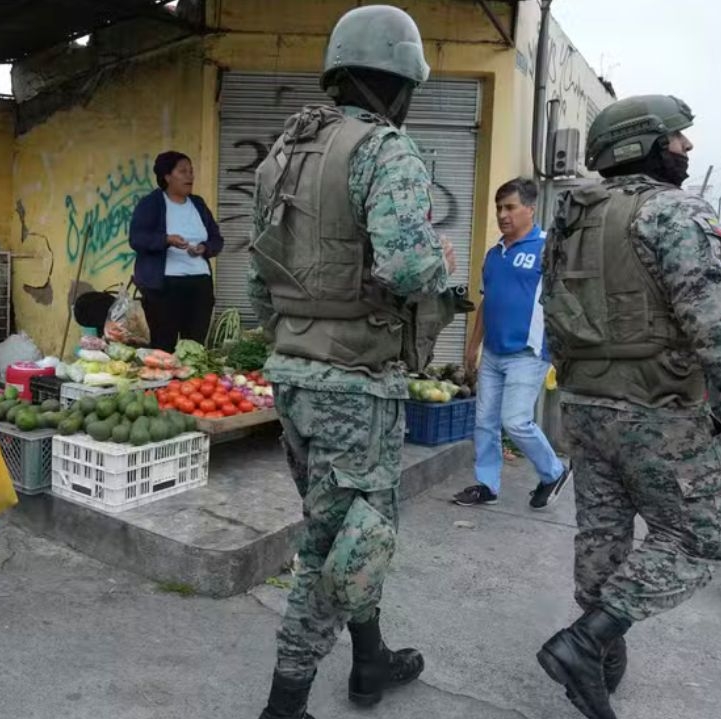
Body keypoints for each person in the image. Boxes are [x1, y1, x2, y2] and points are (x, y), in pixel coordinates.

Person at [537, 94, 721, 719]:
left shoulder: (570, 220)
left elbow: (554, 310)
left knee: (603, 533)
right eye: (677, 139)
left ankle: (599, 661)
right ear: (642, 145)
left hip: (586, 404)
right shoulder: (673, 213)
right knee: (702, 535)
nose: (687, 148)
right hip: (658, 408)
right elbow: (716, 324)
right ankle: (585, 643)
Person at [247, 6, 460, 718]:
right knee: (342, 546)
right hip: (356, 384)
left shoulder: (283, 152)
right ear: (397, 84)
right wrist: (442, 266)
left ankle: (369, 659)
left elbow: (257, 285)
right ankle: (285, 703)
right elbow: (406, 265)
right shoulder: (385, 148)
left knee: (344, 529)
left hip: (295, 374)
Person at [455, 177, 570, 509]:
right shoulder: (494, 255)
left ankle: (553, 471)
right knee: (484, 422)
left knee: (516, 421)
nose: (502, 215)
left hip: (529, 352)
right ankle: (487, 485)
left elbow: (566, 300)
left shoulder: (549, 249)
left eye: (510, 207)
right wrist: (472, 346)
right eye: (498, 208)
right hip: (493, 352)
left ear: (530, 209)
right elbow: (486, 302)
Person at [129, 151, 225, 351]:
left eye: (191, 171)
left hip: (200, 284)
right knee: (164, 346)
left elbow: (217, 239)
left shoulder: (198, 204)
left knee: (194, 346)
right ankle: (165, 383)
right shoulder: (151, 204)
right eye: (183, 171)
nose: (190, 176)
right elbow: (137, 238)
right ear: (167, 176)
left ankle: (191, 382)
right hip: (165, 287)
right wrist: (166, 240)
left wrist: (204, 248)